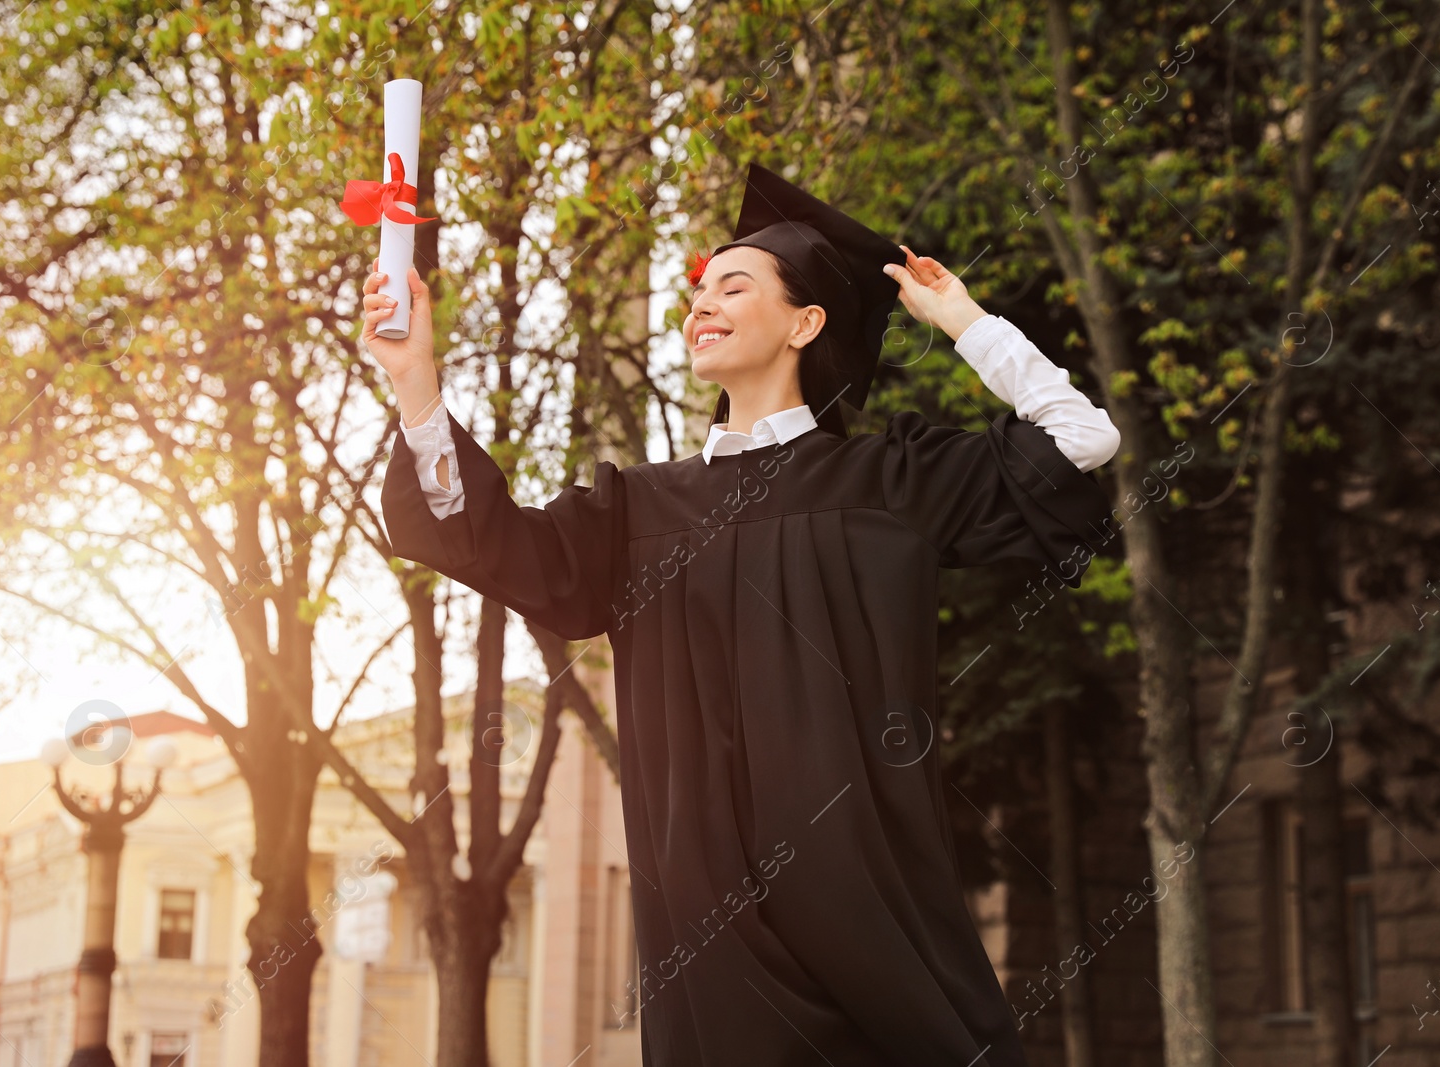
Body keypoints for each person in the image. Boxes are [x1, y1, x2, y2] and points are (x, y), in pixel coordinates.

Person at [361, 162, 1119, 1067]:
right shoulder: (639, 510)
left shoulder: (888, 483)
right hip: (715, 953)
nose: (701, 306)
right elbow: (475, 536)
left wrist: (960, 318)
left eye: (735, 284)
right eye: (699, 290)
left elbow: (1081, 443)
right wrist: (416, 380)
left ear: (805, 322)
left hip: (875, 932)